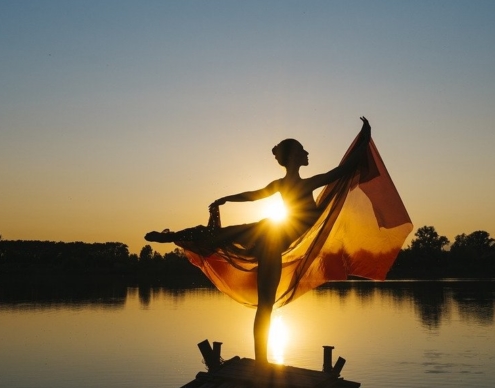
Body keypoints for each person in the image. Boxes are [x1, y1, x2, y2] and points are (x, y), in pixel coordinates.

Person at [148, 117, 372, 363]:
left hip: (270, 238)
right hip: (271, 236)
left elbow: (255, 195)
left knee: (232, 245)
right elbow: (341, 171)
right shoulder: (306, 183)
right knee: (262, 298)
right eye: (302, 150)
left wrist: (227, 198)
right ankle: (262, 361)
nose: (307, 153)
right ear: (294, 158)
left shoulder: (286, 184)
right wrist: (365, 138)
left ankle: (172, 236)